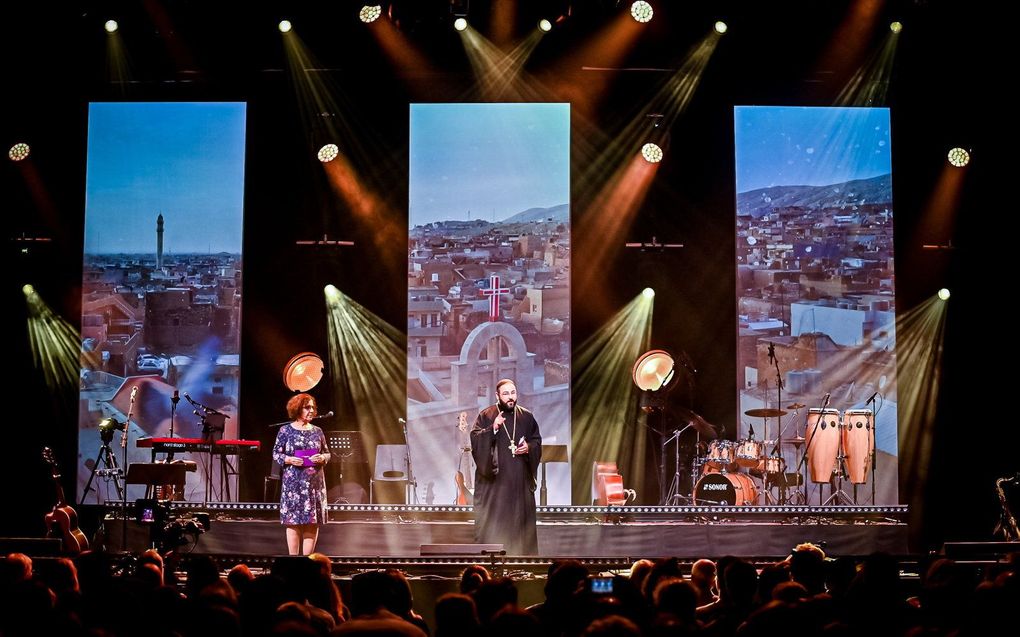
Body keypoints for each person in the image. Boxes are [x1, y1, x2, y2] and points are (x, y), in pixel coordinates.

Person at [470, 379, 542, 554]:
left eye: (513, 393)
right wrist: (493, 428)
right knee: (497, 528)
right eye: (506, 394)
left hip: (519, 483)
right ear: (497, 395)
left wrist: (529, 448)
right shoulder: (486, 415)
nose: (510, 397)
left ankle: (522, 564)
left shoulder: (526, 416)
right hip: (496, 486)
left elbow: (536, 440)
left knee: (520, 527)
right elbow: (475, 439)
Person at [273, 393, 331, 555]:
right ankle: (294, 562)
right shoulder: (285, 430)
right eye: (307, 407)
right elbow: (276, 453)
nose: (311, 410)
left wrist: (322, 458)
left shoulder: (318, 431)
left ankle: (307, 563)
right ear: (297, 409)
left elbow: (327, 453)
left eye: (313, 407)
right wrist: (290, 459)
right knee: (293, 522)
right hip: (294, 484)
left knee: (312, 522)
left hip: (314, 484)